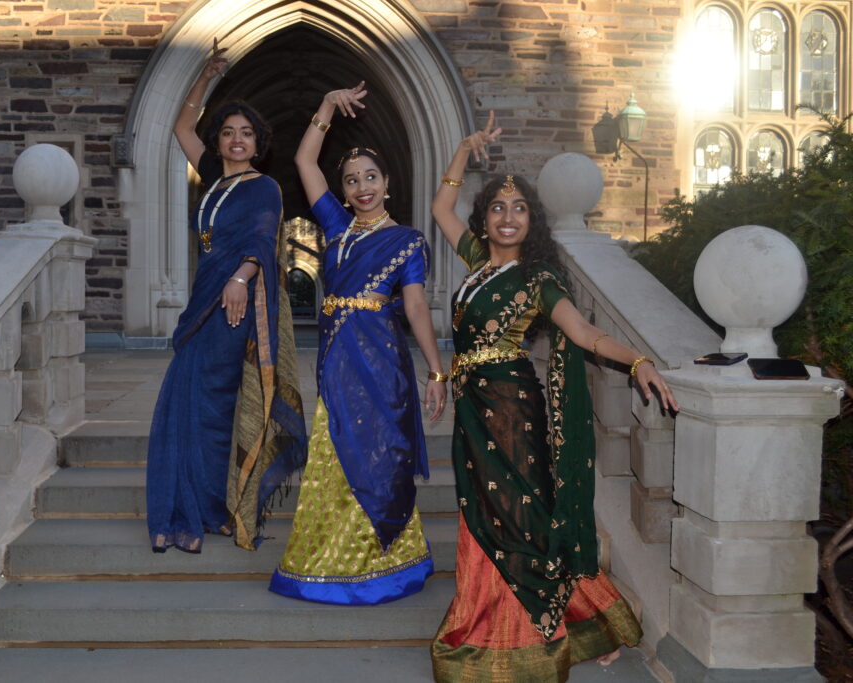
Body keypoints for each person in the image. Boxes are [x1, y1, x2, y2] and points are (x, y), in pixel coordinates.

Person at [429, 112, 680, 681]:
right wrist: (464, 149)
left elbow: (586, 334)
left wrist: (638, 361)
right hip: (471, 407)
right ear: (485, 219)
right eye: (497, 207)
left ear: (532, 220)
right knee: (482, 511)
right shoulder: (473, 265)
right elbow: (441, 209)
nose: (508, 216)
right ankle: (492, 619)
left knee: (523, 517)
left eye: (519, 208)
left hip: (512, 408)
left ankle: (559, 626)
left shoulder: (539, 281)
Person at [268, 83, 447, 605]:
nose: (362, 186)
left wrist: (436, 372)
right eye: (352, 180)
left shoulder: (409, 241)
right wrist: (324, 106)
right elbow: (304, 158)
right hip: (337, 361)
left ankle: (388, 562)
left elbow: (415, 307)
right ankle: (329, 563)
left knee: (383, 455)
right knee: (335, 452)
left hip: (383, 365)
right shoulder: (335, 228)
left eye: (371, 177)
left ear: (387, 184)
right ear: (342, 192)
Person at [146, 39, 306, 554]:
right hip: (202, 302)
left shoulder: (264, 188)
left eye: (247, 134)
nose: (237, 140)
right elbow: (180, 127)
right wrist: (205, 79)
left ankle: (208, 509)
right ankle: (178, 511)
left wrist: (239, 279)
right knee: (184, 405)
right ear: (219, 142)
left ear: (259, 144)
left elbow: (262, 240)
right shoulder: (213, 179)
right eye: (229, 133)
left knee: (213, 407)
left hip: (233, 303)